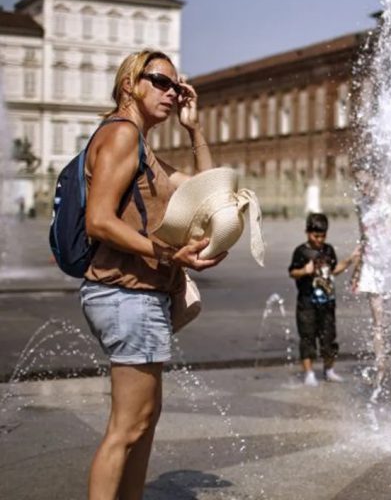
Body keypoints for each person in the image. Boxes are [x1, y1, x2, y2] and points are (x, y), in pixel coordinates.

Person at [80, 49, 226, 500]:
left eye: (177, 85)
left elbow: (210, 191)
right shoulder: (122, 135)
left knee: (144, 422)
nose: (172, 92)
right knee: (127, 428)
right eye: (161, 82)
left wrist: (194, 127)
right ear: (130, 84)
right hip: (125, 295)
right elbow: (98, 220)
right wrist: (170, 255)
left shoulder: (144, 147)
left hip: (139, 297)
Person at [289, 212, 359, 386]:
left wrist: (350, 260)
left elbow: (333, 270)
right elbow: (292, 272)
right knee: (307, 337)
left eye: (322, 236)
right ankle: (309, 373)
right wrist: (304, 271)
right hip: (307, 303)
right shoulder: (301, 251)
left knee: (329, 337)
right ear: (307, 232)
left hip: (327, 302)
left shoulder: (328, 250)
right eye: (315, 235)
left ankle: (329, 370)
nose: (319, 239)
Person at [351, 166, 391, 399]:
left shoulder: (390, 193)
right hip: (373, 266)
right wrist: (357, 267)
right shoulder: (361, 205)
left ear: (377, 179)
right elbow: (363, 237)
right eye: (358, 184)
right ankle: (381, 367)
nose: (363, 188)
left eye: (366, 183)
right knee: (378, 321)